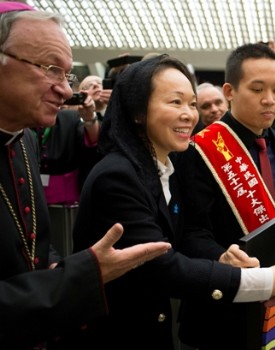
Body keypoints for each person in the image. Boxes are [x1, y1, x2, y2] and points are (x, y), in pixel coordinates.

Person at [58, 54, 275, 350]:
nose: (189, 115)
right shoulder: (118, 176)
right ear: (138, 111)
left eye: (191, 103)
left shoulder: (165, 168)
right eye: (175, 102)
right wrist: (268, 281)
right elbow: (164, 264)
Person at [0, 4, 172, 348]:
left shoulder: (25, 139)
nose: (65, 91)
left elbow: (34, 249)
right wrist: (79, 276)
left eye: (67, 75)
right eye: (51, 69)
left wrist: (54, 270)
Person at [174, 43, 275, 349]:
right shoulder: (199, 150)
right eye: (257, 89)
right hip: (222, 311)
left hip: (274, 305)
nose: (270, 100)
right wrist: (220, 255)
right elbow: (189, 233)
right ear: (229, 91)